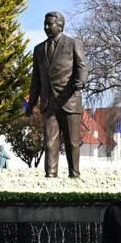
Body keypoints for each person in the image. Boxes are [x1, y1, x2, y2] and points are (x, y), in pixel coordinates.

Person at [27, 11, 87, 178]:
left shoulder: (73, 43)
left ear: (60, 25)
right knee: (49, 142)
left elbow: (82, 66)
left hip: (70, 100)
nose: (46, 27)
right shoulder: (39, 49)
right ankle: (50, 177)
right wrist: (31, 103)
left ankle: (74, 175)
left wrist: (80, 82)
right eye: (45, 24)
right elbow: (36, 79)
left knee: (72, 142)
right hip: (48, 102)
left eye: (49, 24)